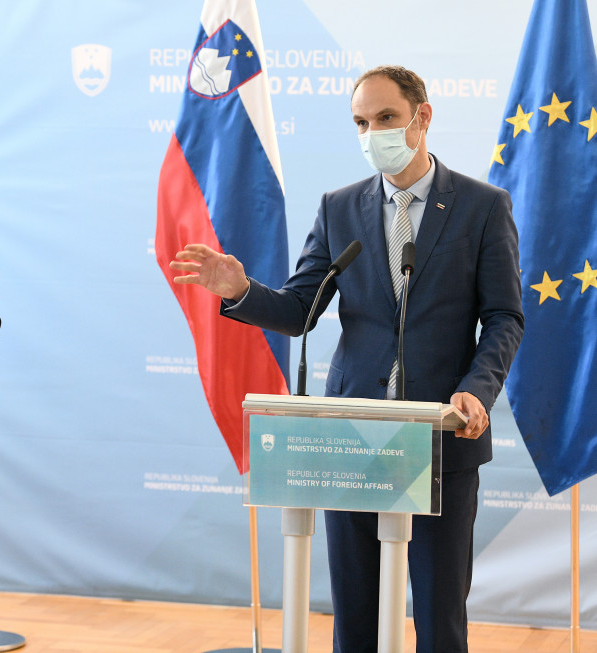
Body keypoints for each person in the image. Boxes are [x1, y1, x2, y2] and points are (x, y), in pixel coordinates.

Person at [170, 65, 523, 652]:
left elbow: (505, 316)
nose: (371, 132)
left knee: (439, 621)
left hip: (439, 439)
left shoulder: (482, 207)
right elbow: (301, 309)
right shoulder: (340, 208)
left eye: (385, 118)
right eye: (361, 122)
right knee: (355, 619)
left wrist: (476, 389)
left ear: (422, 117)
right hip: (352, 437)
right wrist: (239, 290)